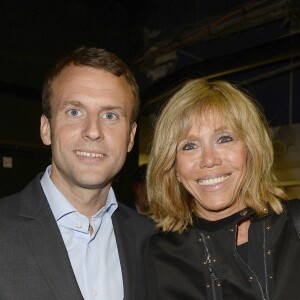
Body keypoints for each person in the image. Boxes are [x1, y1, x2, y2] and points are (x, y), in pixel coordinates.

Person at [0, 46, 154, 300]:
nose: (93, 131)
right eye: (74, 112)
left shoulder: (151, 240)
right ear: (46, 128)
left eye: (110, 115)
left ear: (131, 137)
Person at [144, 78, 300, 300]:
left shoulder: (293, 230)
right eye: (189, 146)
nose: (209, 160)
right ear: (174, 166)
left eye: (224, 139)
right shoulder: (153, 256)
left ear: (251, 150)